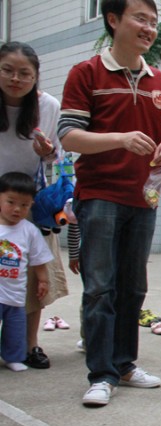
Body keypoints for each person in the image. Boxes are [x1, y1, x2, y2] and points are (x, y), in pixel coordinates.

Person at [58, 0, 161, 407]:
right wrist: (120, 138)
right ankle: (101, 374)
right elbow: (68, 135)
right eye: (140, 19)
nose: (149, 28)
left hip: (143, 199)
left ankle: (125, 365)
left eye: (153, 22)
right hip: (99, 196)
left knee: (133, 286)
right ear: (113, 20)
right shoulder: (86, 73)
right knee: (100, 287)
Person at [0, 41, 69, 370]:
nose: (15, 78)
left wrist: (46, 151)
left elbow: (55, 154)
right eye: (7, 70)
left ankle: (30, 345)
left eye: (24, 73)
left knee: (30, 273)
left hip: (27, 199)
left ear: (36, 76)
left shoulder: (48, 105)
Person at [0, 172, 52, 371]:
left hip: (16, 294)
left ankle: (13, 357)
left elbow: (39, 259)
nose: (17, 209)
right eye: (11, 202)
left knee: (16, 329)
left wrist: (43, 281)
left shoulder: (29, 230)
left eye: (24, 205)